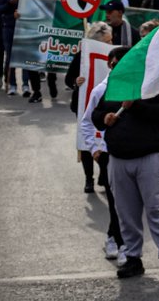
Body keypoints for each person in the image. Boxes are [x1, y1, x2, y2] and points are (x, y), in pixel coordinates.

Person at [91, 81, 159, 280]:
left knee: (157, 208)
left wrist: (136, 105)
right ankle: (133, 257)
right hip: (119, 157)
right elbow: (96, 114)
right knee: (125, 212)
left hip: (151, 155)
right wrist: (104, 117)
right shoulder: (116, 84)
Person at [80, 45, 129, 264]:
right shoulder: (100, 90)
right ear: (110, 64)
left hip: (132, 152)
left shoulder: (137, 88)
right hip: (109, 155)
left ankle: (112, 235)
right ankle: (120, 244)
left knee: (128, 202)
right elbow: (87, 122)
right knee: (115, 200)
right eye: (116, 61)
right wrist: (95, 150)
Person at [67, 21, 113, 192]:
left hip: (104, 106)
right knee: (86, 141)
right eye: (107, 41)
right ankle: (88, 178)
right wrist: (76, 82)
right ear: (97, 42)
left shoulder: (114, 56)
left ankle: (104, 171)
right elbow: (68, 79)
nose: (110, 44)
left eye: (111, 40)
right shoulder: (82, 56)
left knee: (104, 139)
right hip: (83, 104)